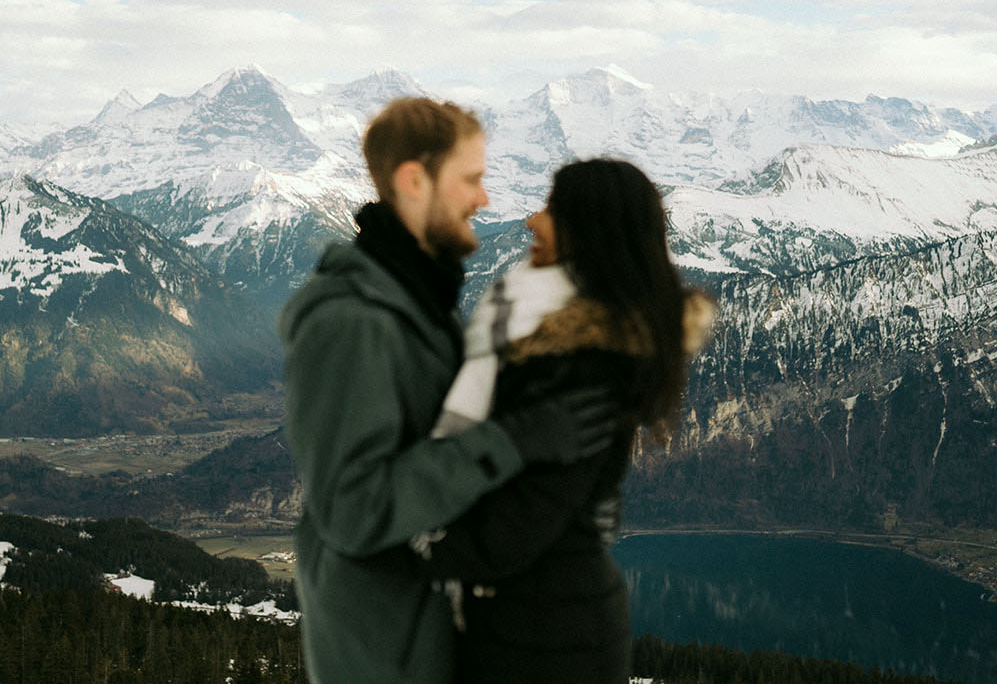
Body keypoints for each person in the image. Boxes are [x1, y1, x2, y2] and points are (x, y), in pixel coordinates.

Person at [279, 98, 621, 684]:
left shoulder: (416, 298)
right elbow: (351, 510)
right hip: (383, 652)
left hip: (421, 629)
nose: (483, 199)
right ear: (414, 180)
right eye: (471, 179)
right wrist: (510, 442)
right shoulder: (352, 322)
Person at [411, 157, 715, 683]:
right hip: (538, 622)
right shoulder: (557, 341)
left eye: (551, 209)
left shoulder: (581, 363)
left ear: (589, 230)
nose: (532, 220)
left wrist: (402, 546)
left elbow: (526, 519)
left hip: (548, 641)